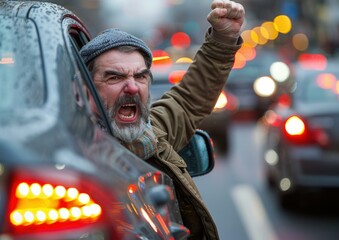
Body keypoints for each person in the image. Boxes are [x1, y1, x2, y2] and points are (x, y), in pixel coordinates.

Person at [80, 0, 245, 239]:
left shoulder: (154, 131)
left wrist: (222, 38)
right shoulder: (71, 157)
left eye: (140, 76)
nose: (132, 88)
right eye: (114, 77)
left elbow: (191, 97)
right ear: (84, 89)